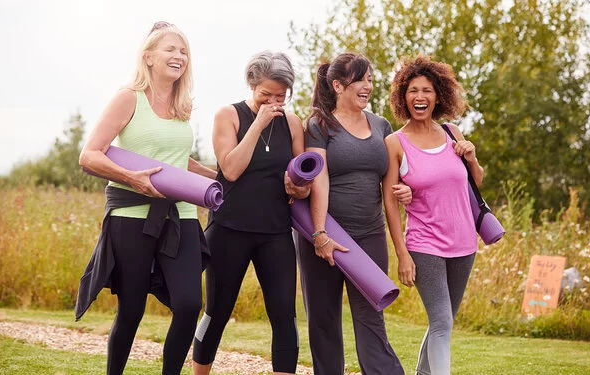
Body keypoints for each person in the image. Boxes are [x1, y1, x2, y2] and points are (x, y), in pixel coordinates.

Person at [75, 22, 216, 375]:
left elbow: (178, 161)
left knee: (188, 304)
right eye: (171, 49)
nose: (179, 56)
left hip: (180, 215)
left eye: (184, 51)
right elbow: (90, 155)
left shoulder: (183, 107)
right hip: (131, 216)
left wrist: (221, 178)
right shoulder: (129, 98)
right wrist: (130, 178)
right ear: (149, 57)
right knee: (132, 309)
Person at [192, 51, 310, 375]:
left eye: (281, 96)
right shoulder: (227, 115)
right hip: (229, 228)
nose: (274, 102)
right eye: (266, 95)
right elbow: (230, 169)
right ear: (252, 84)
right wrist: (257, 123)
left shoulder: (293, 123)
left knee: (284, 315)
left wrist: (300, 187)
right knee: (216, 312)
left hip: (275, 232)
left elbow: (302, 179)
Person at [295, 52, 410, 375]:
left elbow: (392, 183)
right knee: (324, 319)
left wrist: (407, 190)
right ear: (337, 85)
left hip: (370, 235)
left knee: (371, 316)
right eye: (360, 79)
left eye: (370, 79)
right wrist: (320, 234)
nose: (367, 86)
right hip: (326, 235)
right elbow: (319, 178)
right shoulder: (318, 125)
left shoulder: (381, 125)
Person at [382, 54, 483, 375]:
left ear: (438, 95)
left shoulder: (452, 133)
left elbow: (474, 184)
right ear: (403, 97)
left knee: (445, 321)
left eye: (426, 90)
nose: (419, 97)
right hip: (424, 245)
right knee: (440, 321)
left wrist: (473, 158)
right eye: (412, 90)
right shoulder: (395, 143)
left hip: (465, 243)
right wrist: (402, 254)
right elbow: (389, 203)